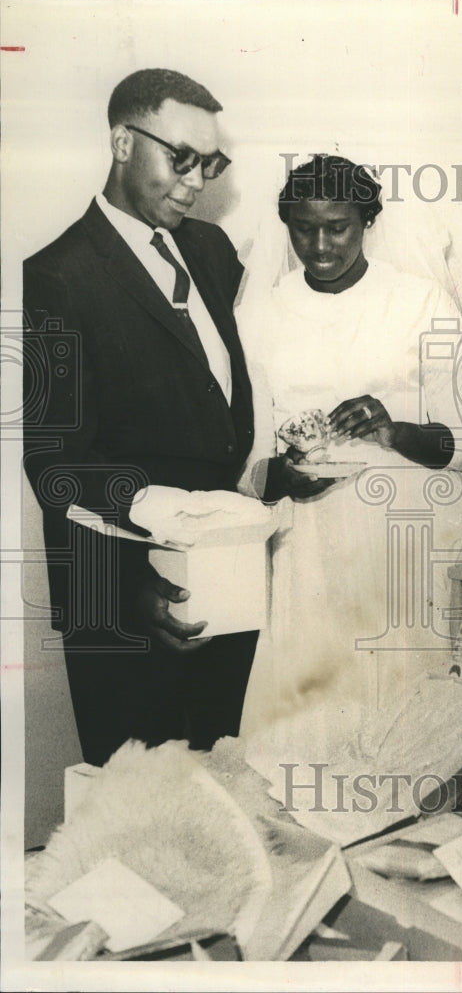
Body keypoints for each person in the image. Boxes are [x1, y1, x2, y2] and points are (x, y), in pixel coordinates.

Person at [23, 69, 258, 766]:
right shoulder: (53, 276)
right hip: (125, 603)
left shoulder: (211, 251)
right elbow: (54, 464)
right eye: (179, 158)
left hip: (222, 589)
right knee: (138, 828)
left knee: (226, 809)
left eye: (210, 163)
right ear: (122, 142)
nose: (195, 180)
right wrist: (132, 590)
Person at [237, 154, 462, 756]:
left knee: (419, 724)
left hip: (410, 538)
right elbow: (244, 466)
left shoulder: (421, 302)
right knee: (319, 730)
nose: (320, 244)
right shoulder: (256, 317)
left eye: (338, 226)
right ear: (287, 226)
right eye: (304, 228)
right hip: (312, 549)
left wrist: (395, 429)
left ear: (367, 221)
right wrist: (282, 476)